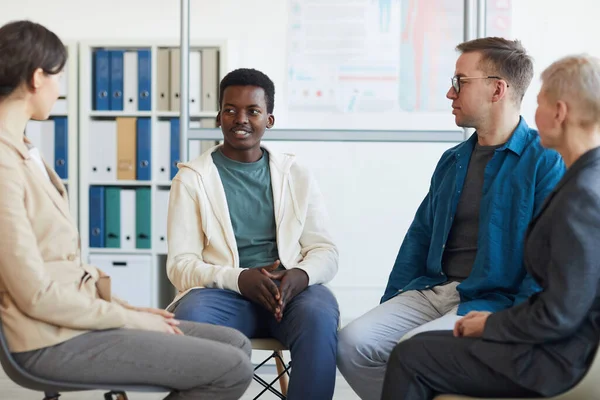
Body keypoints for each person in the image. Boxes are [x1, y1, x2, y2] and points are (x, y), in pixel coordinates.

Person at [0, 20, 253, 400]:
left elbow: (66, 269)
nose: (60, 88)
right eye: (59, 76)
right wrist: (129, 318)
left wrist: (133, 310)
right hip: (47, 338)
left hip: (72, 319)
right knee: (231, 369)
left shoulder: (26, 151)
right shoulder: (3, 163)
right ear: (38, 77)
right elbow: (35, 293)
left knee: (235, 344)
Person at [337, 37, 566, 400]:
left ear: (497, 89)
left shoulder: (545, 161)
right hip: (433, 288)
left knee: (412, 352)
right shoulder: (453, 159)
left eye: (460, 81)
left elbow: (546, 261)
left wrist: (516, 324)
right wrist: (392, 301)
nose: (449, 92)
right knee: (351, 343)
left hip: (492, 299)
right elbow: (419, 238)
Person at [381, 53, 600, 400]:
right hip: (553, 338)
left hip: (559, 357)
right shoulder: (586, 179)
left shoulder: (583, 195)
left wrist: (490, 324)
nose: (532, 114)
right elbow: (420, 236)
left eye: (539, 102)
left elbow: (559, 313)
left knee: (412, 356)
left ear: (559, 112)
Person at [166, 68, 340, 400]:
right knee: (192, 318)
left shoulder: (297, 174)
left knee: (320, 315)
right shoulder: (192, 178)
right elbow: (180, 265)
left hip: (289, 295)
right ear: (219, 116)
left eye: (253, 111)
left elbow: (325, 251)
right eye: (230, 110)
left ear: (269, 120)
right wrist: (239, 278)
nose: (240, 119)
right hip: (222, 294)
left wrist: (300, 276)